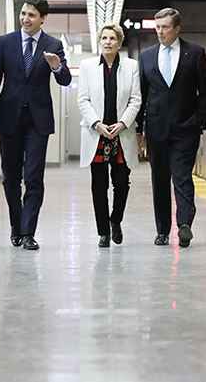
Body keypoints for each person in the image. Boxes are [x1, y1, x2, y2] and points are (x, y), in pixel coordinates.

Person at [0, 0, 72, 250]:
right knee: (11, 178)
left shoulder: (53, 44)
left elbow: (65, 80)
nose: (25, 19)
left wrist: (56, 67)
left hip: (37, 121)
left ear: (43, 18)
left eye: (32, 15)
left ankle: (29, 232)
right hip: (8, 117)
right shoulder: (5, 42)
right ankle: (16, 226)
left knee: (33, 177)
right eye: (23, 13)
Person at [136, 7, 206, 247]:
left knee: (182, 176)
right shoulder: (146, 56)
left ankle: (185, 224)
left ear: (177, 29)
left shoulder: (195, 53)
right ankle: (162, 231)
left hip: (186, 128)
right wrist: (139, 129)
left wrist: (198, 121)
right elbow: (141, 94)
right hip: (156, 129)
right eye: (157, 27)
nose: (160, 32)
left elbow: (205, 92)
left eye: (165, 27)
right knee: (159, 180)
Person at [77, 23, 142, 248]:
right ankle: (103, 232)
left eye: (112, 38)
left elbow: (136, 99)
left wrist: (123, 123)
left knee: (122, 183)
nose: (108, 42)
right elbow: (83, 99)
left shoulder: (131, 67)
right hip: (98, 134)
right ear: (99, 41)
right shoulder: (87, 66)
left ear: (119, 43)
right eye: (104, 38)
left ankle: (116, 220)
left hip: (121, 133)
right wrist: (97, 123)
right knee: (99, 184)